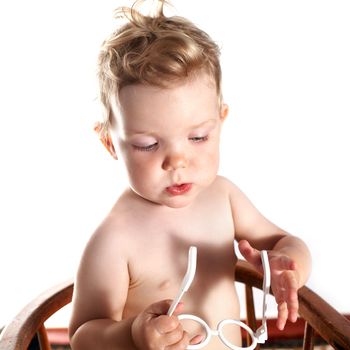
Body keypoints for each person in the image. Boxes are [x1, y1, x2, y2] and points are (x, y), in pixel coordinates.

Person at [69, 1, 312, 349]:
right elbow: (82, 337)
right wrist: (133, 335)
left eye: (198, 137)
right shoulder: (115, 238)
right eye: (149, 144)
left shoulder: (223, 197)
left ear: (221, 120)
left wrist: (290, 269)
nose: (177, 162)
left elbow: (287, 244)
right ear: (110, 142)